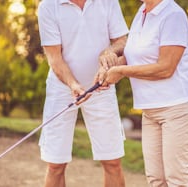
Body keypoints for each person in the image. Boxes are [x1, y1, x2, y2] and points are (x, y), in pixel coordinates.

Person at [100, 0, 188, 186]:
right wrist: (109, 69)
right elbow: (133, 56)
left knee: (177, 179)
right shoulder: (142, 12)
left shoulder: (173, 15)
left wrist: (121, 72)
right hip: (150, 109)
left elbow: (166, 68)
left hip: (177, 106)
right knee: (156, 179)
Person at [37, 0, 128, 187]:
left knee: (112, 161)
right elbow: (54, 57)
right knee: (55, 164)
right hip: (62, 89)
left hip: (102, 87)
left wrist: (110, 51)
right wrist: (73, 84)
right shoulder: (48, 6)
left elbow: (122, 40)